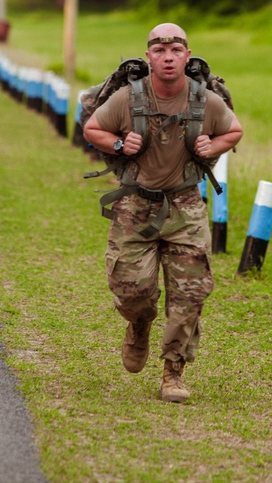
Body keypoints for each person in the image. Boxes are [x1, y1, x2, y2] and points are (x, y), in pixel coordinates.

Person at [83, 23, 243, 404]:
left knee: (189, 295)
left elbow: (234, 130)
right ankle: (139, 324)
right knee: (131, 289)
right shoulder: (128, 97)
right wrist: (121, 143)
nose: (168, 57)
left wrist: (211, 144)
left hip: (185, 206)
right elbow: (92, 127)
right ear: (149, 56)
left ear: (187, 56)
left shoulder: (205, 101)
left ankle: (173, 372)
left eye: (175, 51)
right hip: (135, 204)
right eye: (159, 50)